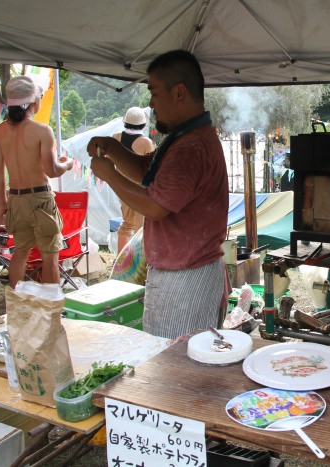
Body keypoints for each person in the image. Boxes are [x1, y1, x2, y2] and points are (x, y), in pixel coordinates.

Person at [87, 50, 230, 339]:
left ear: (179, 92)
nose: (151, 103)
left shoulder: (191, 146)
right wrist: (113, 150)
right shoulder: (184, 138)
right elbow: (147, 173)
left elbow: (154, 206)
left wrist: (109, 174)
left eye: (154, 92)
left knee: (173, 364)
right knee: (173, 360)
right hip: (183, 272)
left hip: (186, 278)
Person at [0, 76, 74, 288]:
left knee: (20, 253)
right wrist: (67, 164)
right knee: (50, 256)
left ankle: (17, 304)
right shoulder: (42, 130)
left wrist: (3, 203)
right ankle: (51, 309)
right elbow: (52, 170)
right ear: (34, 103)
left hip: (16, 198)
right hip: (40, 198)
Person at [112, 107, 156, 254]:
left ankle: (120, 263)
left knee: (126, 225)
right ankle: (139, 266)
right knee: (141, 229)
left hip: (122, 188)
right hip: (139, 190)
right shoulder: (145, 142)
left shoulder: (116, 138)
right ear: (143, 124)